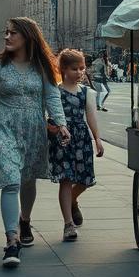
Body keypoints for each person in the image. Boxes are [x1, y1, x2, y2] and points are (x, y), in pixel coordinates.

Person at [0, 17, 69, 268]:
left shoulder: (43, 68)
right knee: (10, 181)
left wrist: (61, 125)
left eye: (12, 33)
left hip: (33, 129)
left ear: (27, 37)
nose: (6, 37)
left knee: (27, 179)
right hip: (5, 128)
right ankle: (11, 240)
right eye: (5, 33)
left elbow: (52, 97)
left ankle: (24, 219)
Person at [49, 49, 104, 241]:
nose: (80, 72)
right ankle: (68, 224)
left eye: (82, 68)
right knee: (66, 179)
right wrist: (52, 128)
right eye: (75, 69)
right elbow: (48, 116)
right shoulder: (55, 90)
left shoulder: (87, 93)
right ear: (63, 69)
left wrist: (97, 138)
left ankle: (73, 200)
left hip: (81, 139)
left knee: (84, 180)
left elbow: (91, 115)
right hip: (62, 140)